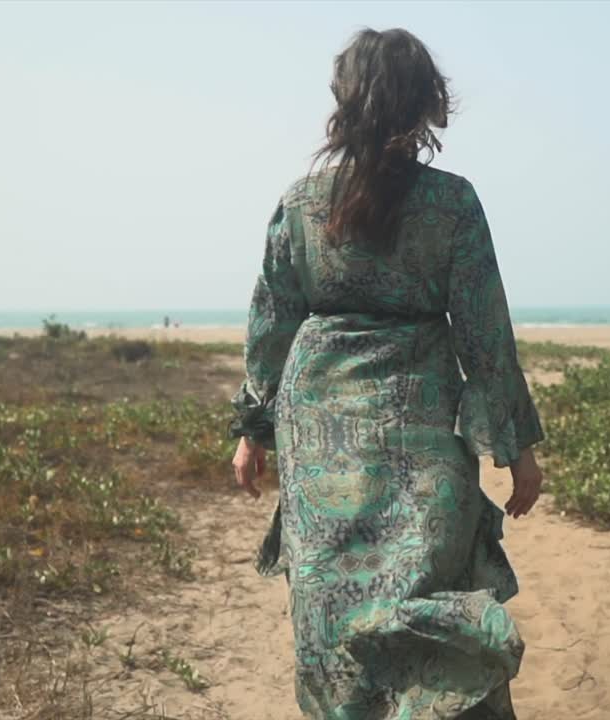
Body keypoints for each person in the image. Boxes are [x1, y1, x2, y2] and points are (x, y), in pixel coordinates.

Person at [229, 27, 545, 720]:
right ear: (428, 101)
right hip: (422, 422)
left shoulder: (300, 202)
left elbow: (271, 325)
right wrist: (517, 448)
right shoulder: (453, 203)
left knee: (330, 610)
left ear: (344, 98)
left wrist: (252, 432)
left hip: (319, 430)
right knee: (428, 591)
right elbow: (485, 333)